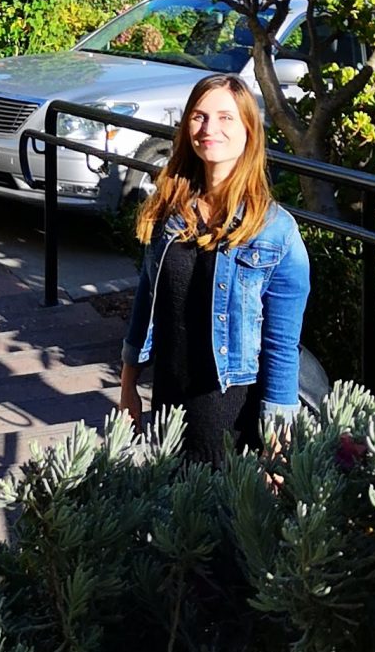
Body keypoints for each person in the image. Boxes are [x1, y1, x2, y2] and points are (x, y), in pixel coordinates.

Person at [117, 74, 310, 465]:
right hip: (170, 406)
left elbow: (281, 346)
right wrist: (128, 384)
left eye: (225, 118)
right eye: (199, 116)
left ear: (249, 131)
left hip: (233, 416)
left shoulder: (275, 232)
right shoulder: (170, 211)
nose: (209, 128)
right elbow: (146, 301)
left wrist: (278, 438)